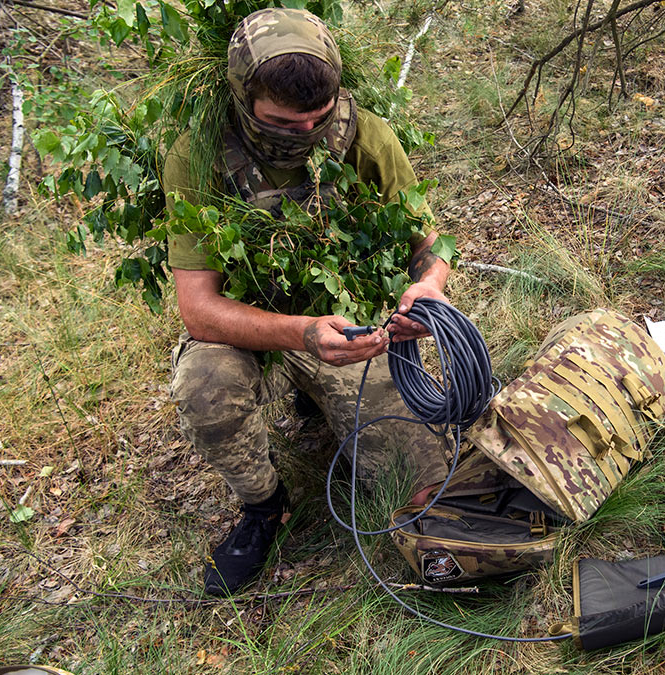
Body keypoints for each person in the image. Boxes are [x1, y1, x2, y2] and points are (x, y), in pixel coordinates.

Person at [163, 8, 451, 596]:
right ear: (242, 97)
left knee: (424, 485)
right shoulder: (198, 155)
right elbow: (198, 308)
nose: (304, 135)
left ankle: (327, 403)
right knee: (204, 384)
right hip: (257, 330)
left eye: (317, 120)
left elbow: (431, 242)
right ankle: (265, 507)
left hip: (351, 326)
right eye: (281, 123)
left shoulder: (365, 135)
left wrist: (428, 286)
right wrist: (300, 333)